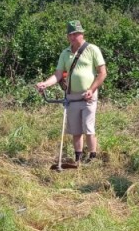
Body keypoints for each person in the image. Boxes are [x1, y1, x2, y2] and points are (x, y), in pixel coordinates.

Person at [36, 20, 107, 163]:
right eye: (71, 35)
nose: (74, 37)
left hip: (88, 96)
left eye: (76, 34)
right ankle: (78, 158)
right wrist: (45, 84)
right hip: (71, 97)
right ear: (68, 37)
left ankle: (92, 157)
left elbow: (102, 73)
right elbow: (57, 75)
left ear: (82, 34)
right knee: (75, 130)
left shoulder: (92, 49)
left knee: (88, 128)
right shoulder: (65, 53)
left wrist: (91, 90)